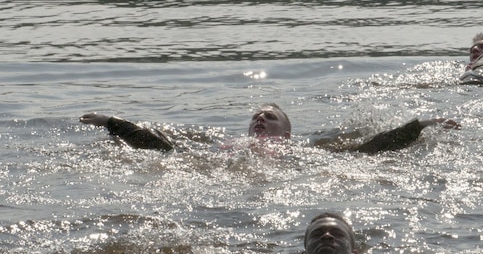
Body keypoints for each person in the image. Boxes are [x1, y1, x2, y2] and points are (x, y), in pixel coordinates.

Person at [80, 103, 457, 154]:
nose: (260, 120)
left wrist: (420, 125)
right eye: (255, 118)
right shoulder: (225, 147)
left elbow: (367, 150)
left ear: (287, 135)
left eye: (270, 118)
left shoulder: (303, 153)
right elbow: (166, 149)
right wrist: (113, 123)